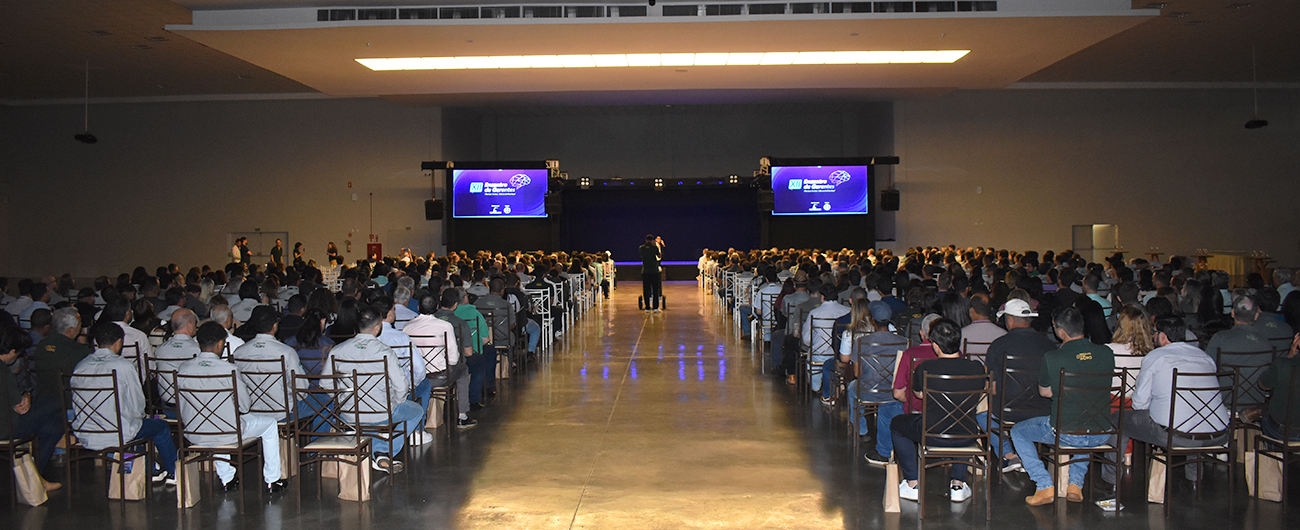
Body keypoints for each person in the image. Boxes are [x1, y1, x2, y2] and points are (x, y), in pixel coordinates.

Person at [1099, 315, 1227, 489]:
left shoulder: (1157, 356)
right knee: (1194, 415)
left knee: (1119, 418)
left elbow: (1139, 404)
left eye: (1155, 332)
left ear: (1163, 336)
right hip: (1218, 433)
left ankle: (1110, 480)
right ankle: (1194, 479)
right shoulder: (1205, 357)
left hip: (1173, 435)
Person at [1010, 306, 1115, 505]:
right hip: (1102, 431)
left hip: (1066, 432)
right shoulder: (1106, 353)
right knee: (1086, 419)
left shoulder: (1053, 357)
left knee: (1018, 431)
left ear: (1060, 331)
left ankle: (1044, 485)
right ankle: (1075, 485)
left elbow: (1045, 392)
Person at [177, 322, 287, 493]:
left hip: (194, 433)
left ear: (198, 343)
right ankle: (273, 479)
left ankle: (228, 478)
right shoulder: (229, 369)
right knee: (269, 424)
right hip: (226, 433)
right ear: (221, 344)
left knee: (218, 420)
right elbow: (244, 406)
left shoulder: (183, 369)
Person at [891, 318, 986, 504]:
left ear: (935, 345)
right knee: (964, 422)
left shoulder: (926, 368)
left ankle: (912, 483)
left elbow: (918, 395)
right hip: (968, 434)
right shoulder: (977, 368)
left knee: (897, 424)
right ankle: (957, 484)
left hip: (933, 432)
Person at [72, 322, 178, 484]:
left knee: (136, 423)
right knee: (159, 427)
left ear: (96, 342)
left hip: (85, 432)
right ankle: (173, 472)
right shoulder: (123, 366)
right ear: (119, 342)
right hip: (118, 433)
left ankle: (151, 468)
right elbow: (137, 403)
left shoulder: (80, 366)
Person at [323, 305, 424, 473]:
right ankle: (383, 450)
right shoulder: (385, 352)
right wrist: (396, 401)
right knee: (416, 411)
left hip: (349, 413)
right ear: (378, 328)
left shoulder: (337, 351)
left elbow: (326, 383)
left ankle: (375, 448)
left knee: (365, 419)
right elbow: (402, 385)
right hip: (381, 412)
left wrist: (342, 400)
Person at [979, 298, 1056, 472]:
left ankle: (1009, 455)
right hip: (1044, 412)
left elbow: (992, 388)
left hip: (1007, 411)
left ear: (1010, 320)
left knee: (982, 416)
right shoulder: (1049, 345)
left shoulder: (998, 345)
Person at [1, 326, 65, 491]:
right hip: (6, 427)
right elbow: (19, 407)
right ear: (11, 352)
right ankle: (35, 478)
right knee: (60, 399)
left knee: (53, 427)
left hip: (6, 421)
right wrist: (27, 396)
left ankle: (36, 479)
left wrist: (25, 396)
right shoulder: (3, 371)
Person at [404, 293, 476, 429]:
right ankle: (462, 415)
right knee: (463, 370)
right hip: (439, 376)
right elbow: (454, 359)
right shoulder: (445, 326)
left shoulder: (407, 327)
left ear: (418, 307)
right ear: (437, 307)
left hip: (414, 378)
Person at [843, 301, 906, 447]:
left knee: (852, 388)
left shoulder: (861, 342)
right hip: (894, 393)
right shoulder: (903, 342)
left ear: (872, 321)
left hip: (868, 393)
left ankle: (862, 431)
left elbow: (857, 373)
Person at [231, 306, 307, 419]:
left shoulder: (238, 352)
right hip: (282, 412)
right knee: (325, 404)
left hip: (250, 412)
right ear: (275, 325)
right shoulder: (287, 352)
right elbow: (301, 388)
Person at [31, 307, 91, 414]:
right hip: (70, 404)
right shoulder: (80, 351)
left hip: (43, 401)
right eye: (79, 324)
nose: (81, 327)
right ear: (70, 330)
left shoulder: (41, 345)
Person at [1259, 333, 1300, 441]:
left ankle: (1276, 455)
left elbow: (1263, 385)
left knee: (1267, 417)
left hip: (1286, 432)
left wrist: (1289, 358)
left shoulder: (1283, 364)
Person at [639, 234, 664, 311]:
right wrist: (657, 247)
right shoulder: (654, 248)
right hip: (654, 271)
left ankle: (647, 307)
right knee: (655, 289)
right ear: (652, 240)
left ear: (646, 240)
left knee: (646, 289)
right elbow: (659, 256)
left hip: (645, 271)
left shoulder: (641, 248)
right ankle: (655, 307)